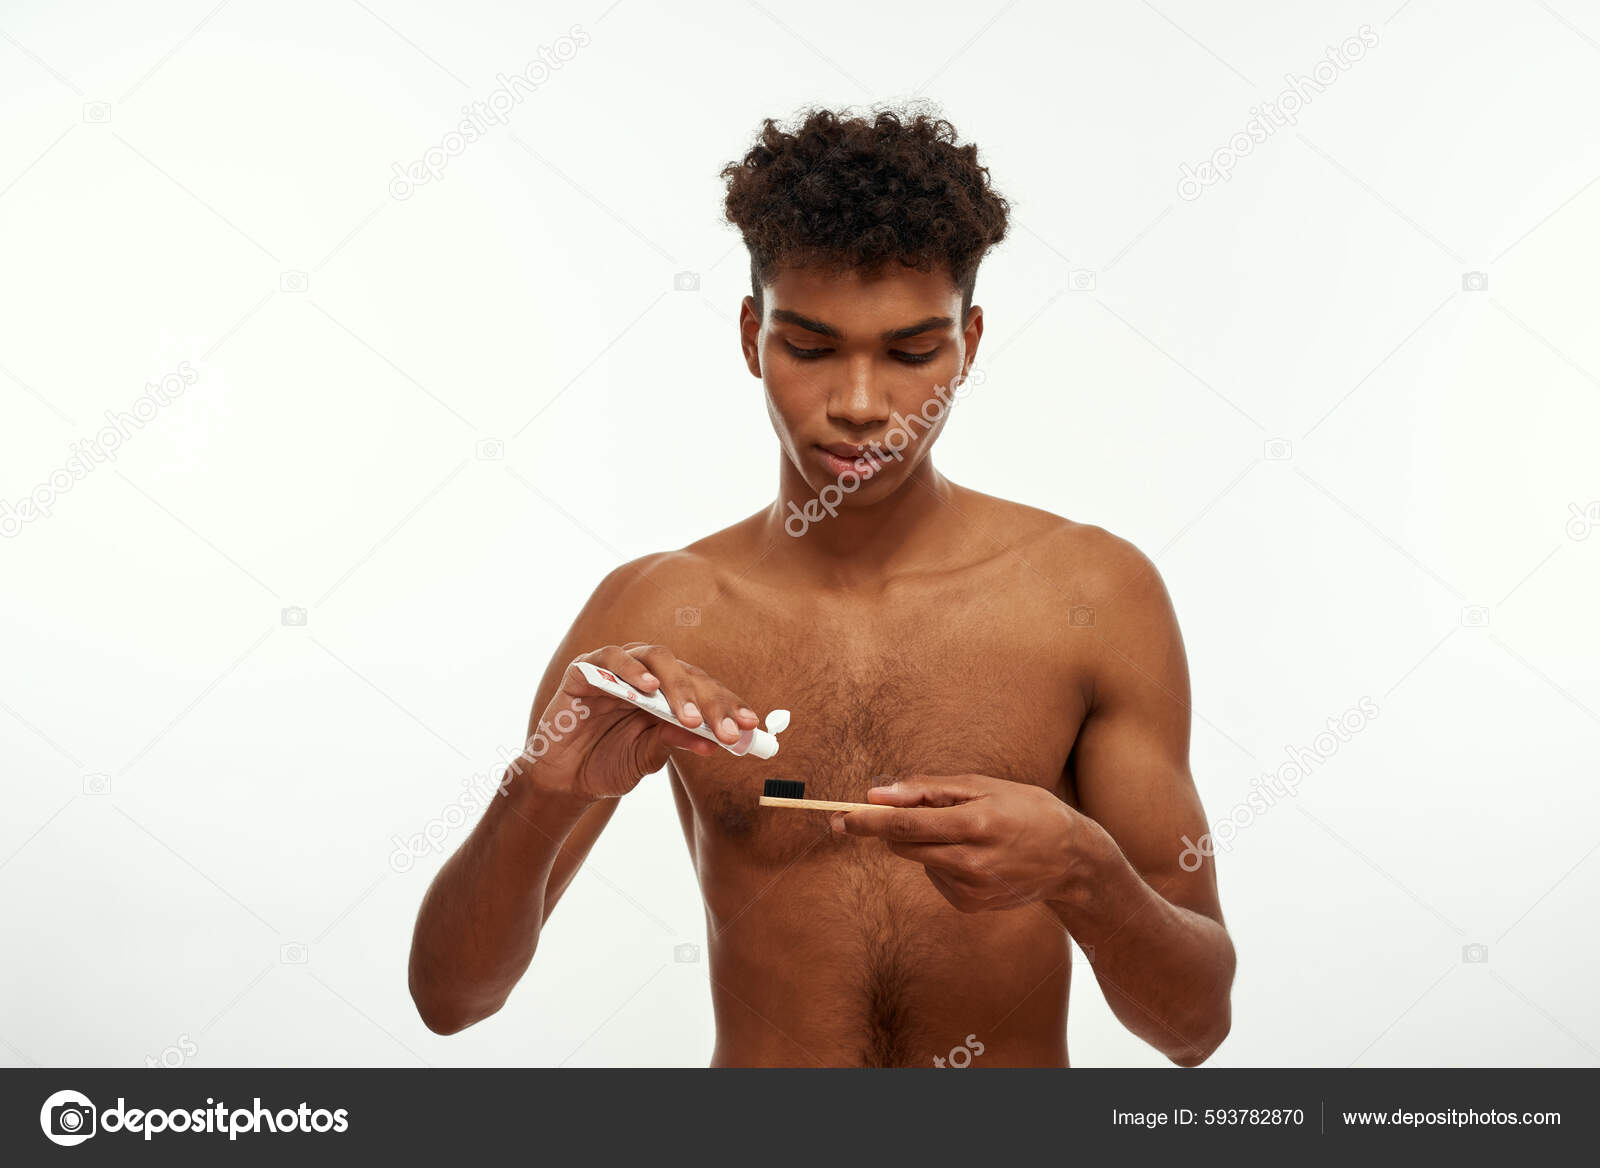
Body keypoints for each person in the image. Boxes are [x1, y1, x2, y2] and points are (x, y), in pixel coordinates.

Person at [407, 105, 1235, 1067]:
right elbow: (449, 999)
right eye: (808, 348)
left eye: (911, 353)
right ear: (753, 332)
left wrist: (1086, 873)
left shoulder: (1094, 597)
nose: (858, 405)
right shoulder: (656, 615)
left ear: (969, 341)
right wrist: (540, 791)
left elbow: (1195, 1026)